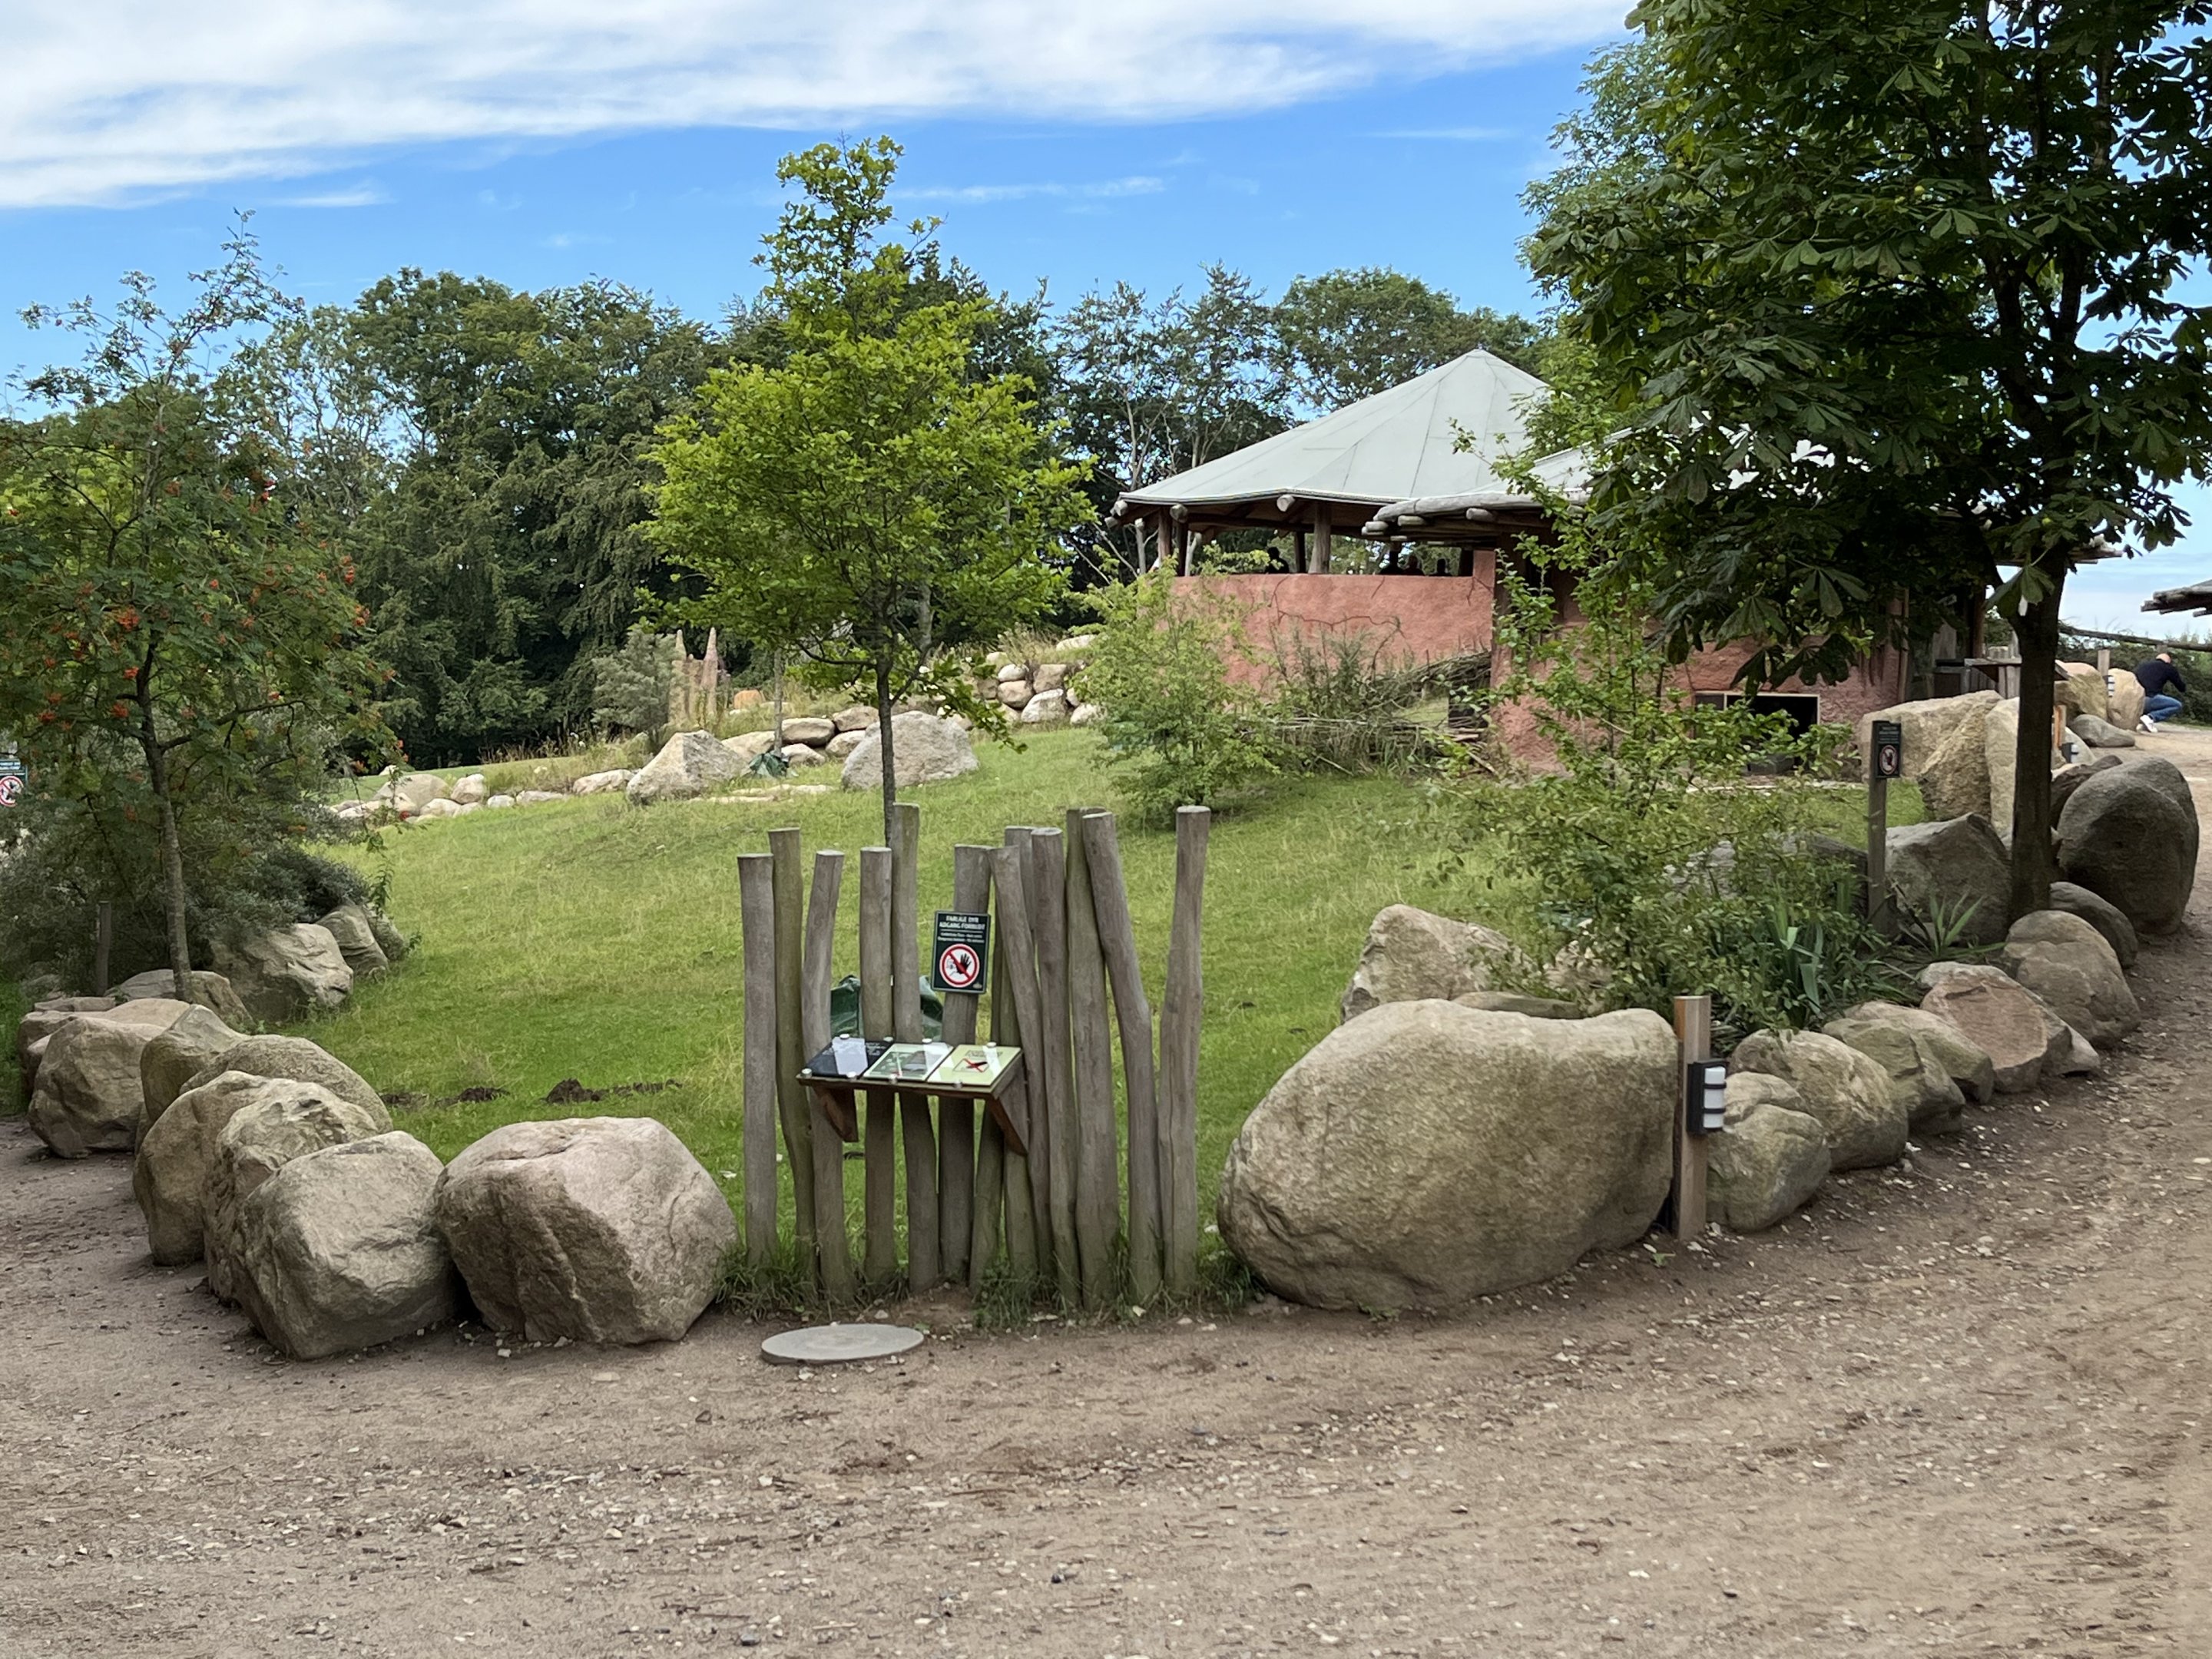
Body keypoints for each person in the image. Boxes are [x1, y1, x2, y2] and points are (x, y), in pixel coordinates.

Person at [2134, 651, 2187, 733]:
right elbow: (2181, 687)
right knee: (2177, 705)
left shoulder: (2142, 666)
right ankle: (2151, 717)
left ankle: (2142, 722)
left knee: (2155, 699)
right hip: (2150, 698)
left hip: (2136, 699)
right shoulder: (2168, 668)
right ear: (2168, 661)